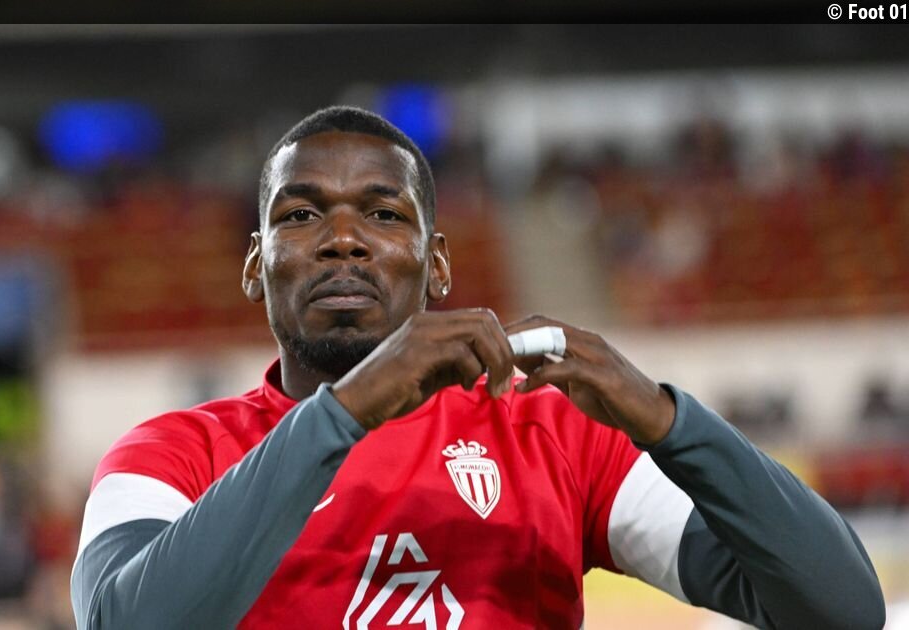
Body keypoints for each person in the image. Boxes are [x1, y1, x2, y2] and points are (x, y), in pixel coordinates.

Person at [71, 106, 885, 629]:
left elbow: (841, 609)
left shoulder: (557, 436)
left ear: (438, 267)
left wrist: (672, 422)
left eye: (384, 213)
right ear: (257, 266)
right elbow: (124, 623)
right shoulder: (167, 455)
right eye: (303, 213)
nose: (343, 239)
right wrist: (344, 414)